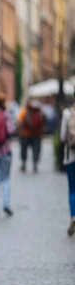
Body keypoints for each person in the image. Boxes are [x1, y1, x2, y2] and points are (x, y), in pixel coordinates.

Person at [60, 95, 75, 236]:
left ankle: (73, 216)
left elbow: (62, 136)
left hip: (71, 156)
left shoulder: (67, 113)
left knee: (72, 190)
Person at [17, 98, 46, 173]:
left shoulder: (24, 110)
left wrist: (19, 131)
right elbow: (43, 121)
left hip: (25, 133)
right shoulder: (39, 110)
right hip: (37, 134)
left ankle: (23, 163)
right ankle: (35, 164)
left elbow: (19, 121)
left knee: (24, 149)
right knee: (36, 149)